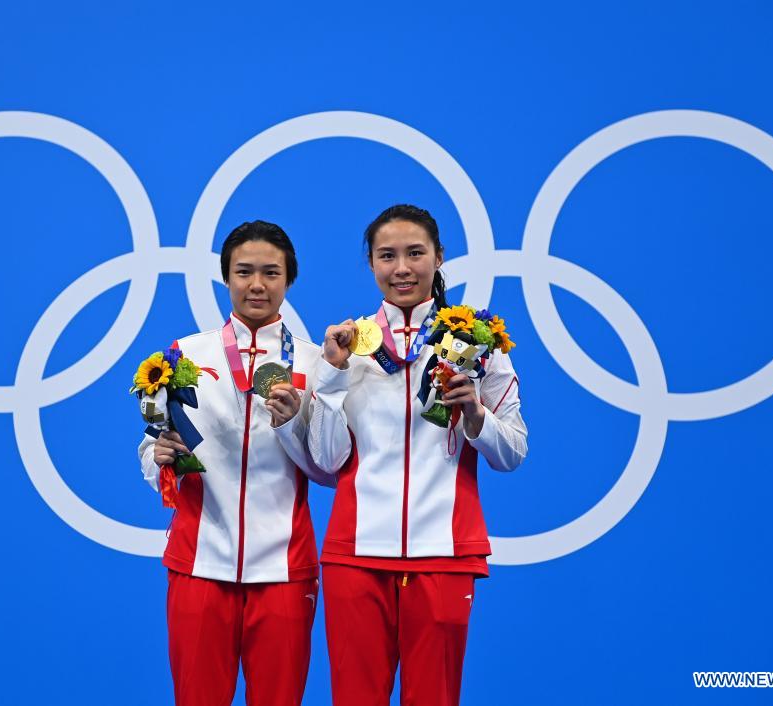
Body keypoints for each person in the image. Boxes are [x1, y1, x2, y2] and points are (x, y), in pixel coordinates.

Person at [309, 204, 528, 706]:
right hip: (356, 554)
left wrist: (477, 419)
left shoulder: (480, 341)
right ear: (370, 264)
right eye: (387, 256)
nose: (401, 268)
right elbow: (324, 459)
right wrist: (334, 374)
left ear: (439, 257)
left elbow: (512, 451)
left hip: (445, 554)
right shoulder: (349, 344)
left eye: (415, 253)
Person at [137, 220, 331, 706]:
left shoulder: (315, 363)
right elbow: (153, 443)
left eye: (271, 272)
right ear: (227, 277)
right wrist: (157, 457)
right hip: (199, 564)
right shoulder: (184, 355)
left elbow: (329, 468)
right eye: (244, 272)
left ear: (289, 280)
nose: (257, 285)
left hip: (285, 570)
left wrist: (291, 425)